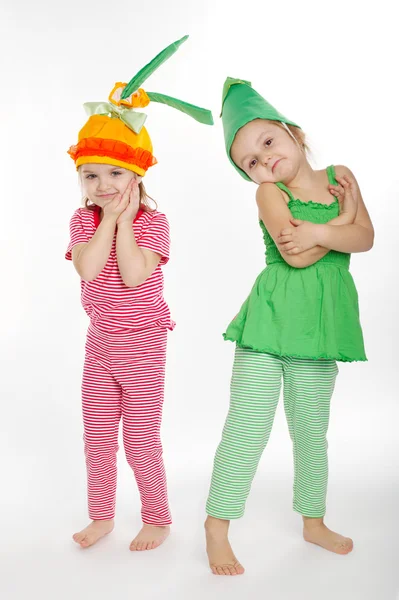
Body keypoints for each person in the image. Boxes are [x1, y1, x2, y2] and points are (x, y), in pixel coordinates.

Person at [205, 77, 374, 575]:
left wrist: (330, 228)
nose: (262, 161)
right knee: (247, 425)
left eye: (267, 143)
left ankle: (313, 520)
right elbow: (295, 257)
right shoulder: (268, 195)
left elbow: (365, 238)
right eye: (249, 162)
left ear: (293, 133)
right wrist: (338, 223)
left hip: (320, 326)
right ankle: (217, 527)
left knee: (310, 427)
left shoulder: (341, 175)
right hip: (270, 321)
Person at [65, 36, 213, 551]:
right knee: (98, 431)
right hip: (100, 340)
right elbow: (87, 270)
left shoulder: (154, 222)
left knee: (141, 434)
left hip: (143, 340)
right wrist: (107, 219)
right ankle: (101, 513)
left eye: (114, 174)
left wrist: (124, 222)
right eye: (91, 175)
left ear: (137, 175)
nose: (102, 184)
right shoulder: (84, 220)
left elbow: (131, 276)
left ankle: (157, 515)